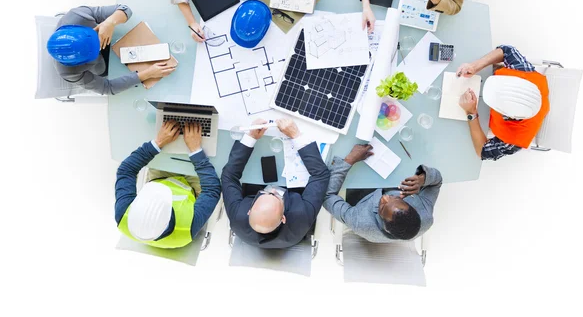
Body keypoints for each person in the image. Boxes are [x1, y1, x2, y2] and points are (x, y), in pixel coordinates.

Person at [221, 118, 330, 248]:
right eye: (275, 196)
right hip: (295, 193)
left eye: (263, 194)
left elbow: (228, 176)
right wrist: (296, 135)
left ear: (249, 211)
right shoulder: (301, 217)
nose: (273, 190)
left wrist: (251, 138)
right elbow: (321, 175)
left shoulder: (238, 218)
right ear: (283, 218)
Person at [115, 120, 221, 249]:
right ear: (170, 215)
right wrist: (196, 151)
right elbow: (212, 189)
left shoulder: (123, 215)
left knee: (163, 134)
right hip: (192, 187)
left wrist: (157, 143)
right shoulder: (188, 228)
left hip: (159, 179)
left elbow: (126, 170)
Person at [323, 144, 442, 242]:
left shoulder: (360, 221)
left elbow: (327, 196)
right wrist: (422, 179)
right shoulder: (426, 217)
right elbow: (437, 182)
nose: (385, 198)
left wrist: (349, 160)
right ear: (412, 207)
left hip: (362, 195)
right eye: (396, 199)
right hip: (392, 175)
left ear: (385, 226)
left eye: (382, 207)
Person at [47, 5, 175, 95]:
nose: (100, 46)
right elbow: (107, 88)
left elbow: (125, 9)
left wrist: (110, 22)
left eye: (96, 40)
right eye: (95, 50)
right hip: (106, 66)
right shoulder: (68, 72)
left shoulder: (78, 16)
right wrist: (148, 74)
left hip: (115, 34)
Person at [457, 45, 550, 161]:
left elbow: (482, 152)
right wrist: (475, 66)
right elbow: (507, 51)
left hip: (477, 113)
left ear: (507, 116)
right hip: (477, 79)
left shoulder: (515, 141)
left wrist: (471, 113)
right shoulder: (526, 74)